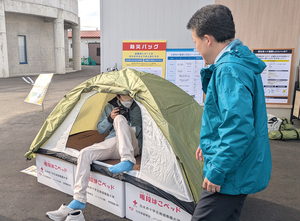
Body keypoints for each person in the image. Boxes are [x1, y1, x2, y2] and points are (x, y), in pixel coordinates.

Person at [186, 4, 272, 221]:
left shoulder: (228, 69)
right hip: (239, 165)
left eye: (195, 42)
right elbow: (226, 119)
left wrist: (217, 171)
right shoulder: (237, 62)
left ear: (207, 39)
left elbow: (238, 128)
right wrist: (207, 144)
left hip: (230, 173)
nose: (196, 49)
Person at [46, 94, 142, 221]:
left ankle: (127, 160)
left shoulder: (139, 107)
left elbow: (141, 129)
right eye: (125, 96)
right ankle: (78, 200)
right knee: (85, 153)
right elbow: (100, 130)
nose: (128, 98)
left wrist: (124, 122)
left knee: (119, 119)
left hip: (132, 144)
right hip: (113, 142)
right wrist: (109, 119)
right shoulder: (110, 106)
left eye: (129, 95)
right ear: (118, 96)